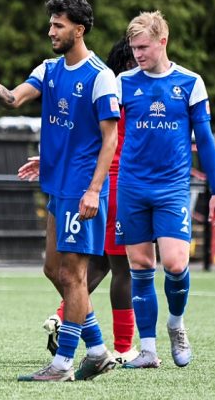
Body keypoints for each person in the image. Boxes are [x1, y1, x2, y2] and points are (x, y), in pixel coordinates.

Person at [0, 0, 120, 382]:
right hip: (58, 184)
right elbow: (12, 99)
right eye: (51, 23)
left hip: (81, 189)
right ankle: (98, 350)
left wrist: (93, 190)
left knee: (73, 274)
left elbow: (109, 140)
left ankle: (63, 365)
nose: (51, 31)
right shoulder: (49, 69)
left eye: (59, 25)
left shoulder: (101, 76)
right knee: (52, 269)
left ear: (79, 29)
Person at [115, 11, 215, 368]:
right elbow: (100, 132)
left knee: (176, 264)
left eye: (144, 47)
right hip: (132, 186)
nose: (137, 54)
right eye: (133, 48)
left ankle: (176, 324)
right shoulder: (123, 82)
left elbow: (206, 141)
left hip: (171, 187)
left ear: (163, 41)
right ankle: (147, 350)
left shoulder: (190, 82)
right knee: (140, 264)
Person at [20, 38, 139, 364]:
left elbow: (77, 134)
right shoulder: (127, 93)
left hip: (89, 184)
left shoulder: (101, 85)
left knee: (89, 265)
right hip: (111, 186)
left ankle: (67, 318)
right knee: (120, 268)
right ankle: (124, 347)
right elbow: (108, 140)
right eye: (139, 55)